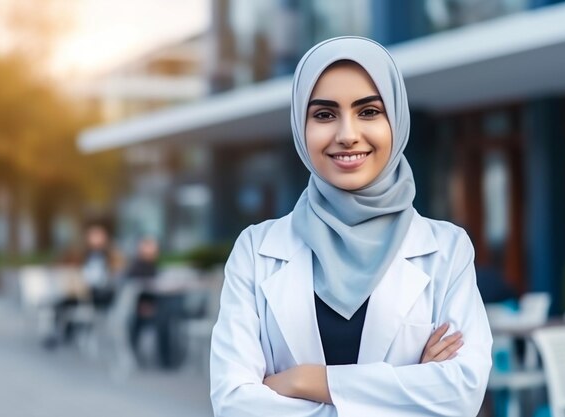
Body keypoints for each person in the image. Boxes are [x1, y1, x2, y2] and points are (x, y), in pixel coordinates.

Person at [210, 37, 492, 416]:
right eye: (324, 115)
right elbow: (233, 404)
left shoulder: (447, 249)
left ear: (396, 118)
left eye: (369, 111)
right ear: (300, 125)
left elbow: (460, 393)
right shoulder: (255, 249)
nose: (347, 134)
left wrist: (305, 381)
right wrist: (406, 388)